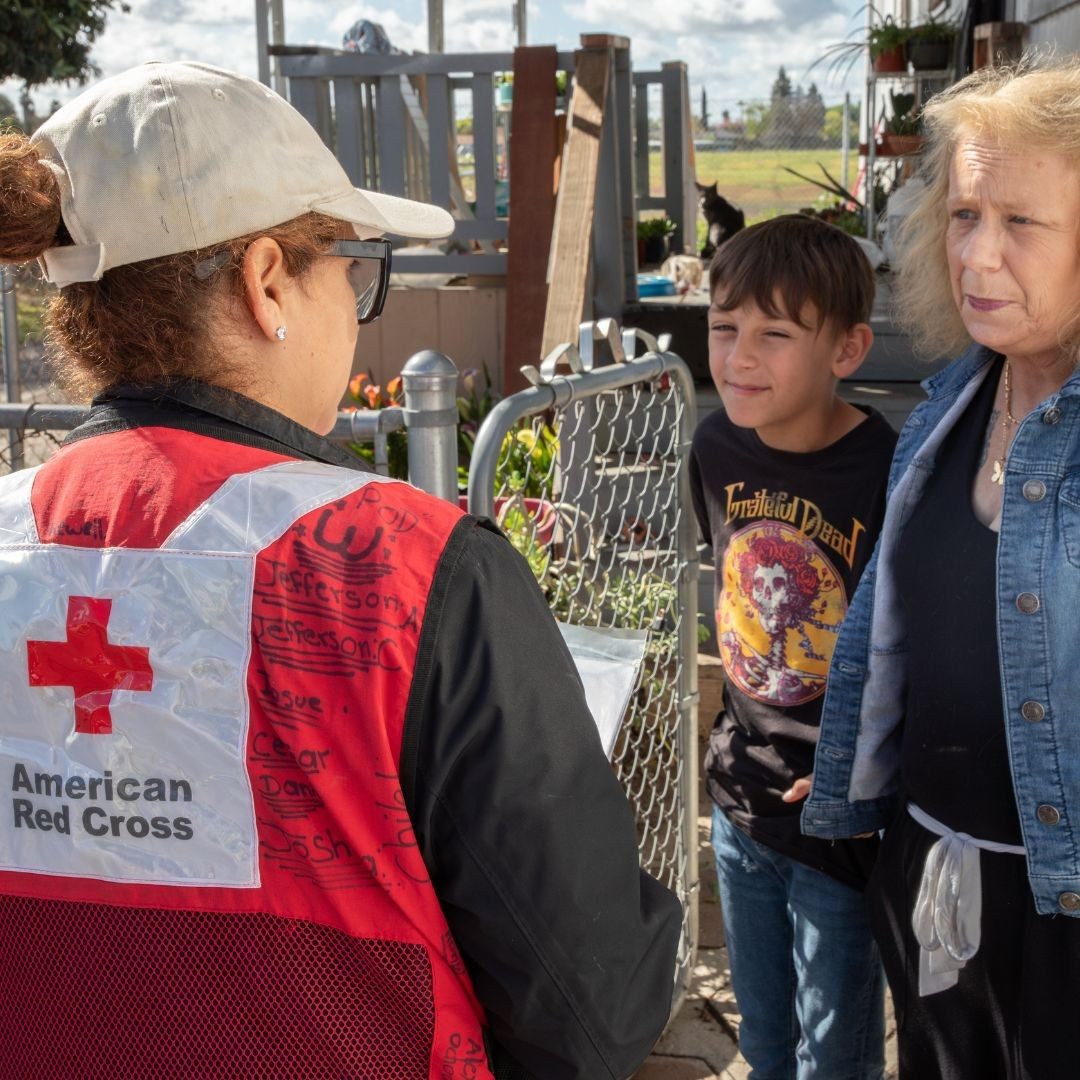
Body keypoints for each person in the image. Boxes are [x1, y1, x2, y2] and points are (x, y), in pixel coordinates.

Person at [0, 61, 682, 1080]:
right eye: (350, 271)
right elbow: (588, 1009)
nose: (350, 302)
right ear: (267, 279)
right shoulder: (412, 570)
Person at [800, 56, 1080, 1079]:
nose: (979, 255)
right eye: (965, 215)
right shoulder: (953, 403)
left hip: (1062, 912)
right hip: (931, 877)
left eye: (1022, 223)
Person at [689, 214, 897, 1079]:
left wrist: (867, 767)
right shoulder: (713, 447)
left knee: (833, 1057)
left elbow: (911, 644)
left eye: (775, 334)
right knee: (765, 1043)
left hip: (835, 824)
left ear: (847, 349)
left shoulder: (889, 469)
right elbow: (735, 597)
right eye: (724, 329)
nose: (740, 357)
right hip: (740, 801)